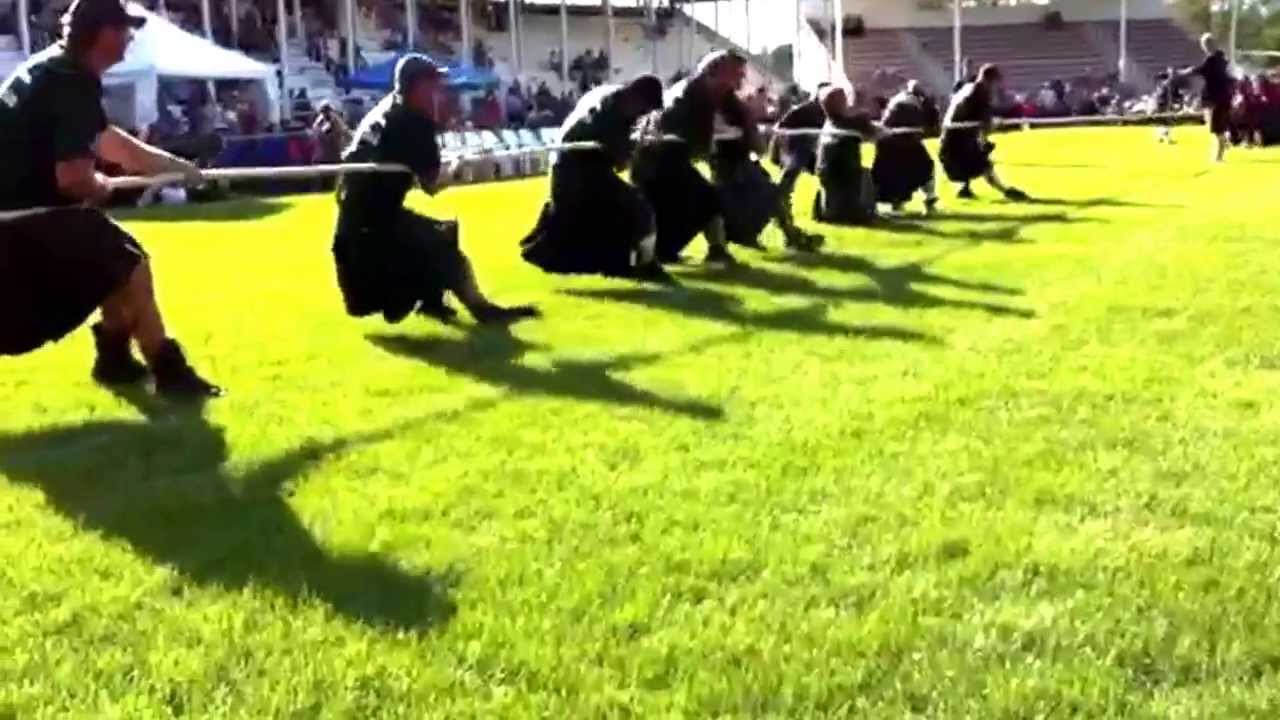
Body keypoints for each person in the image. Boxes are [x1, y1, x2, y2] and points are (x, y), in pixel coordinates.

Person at [0, 0, 220, 398]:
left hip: (20, 212)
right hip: (23, 219)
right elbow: (72, 179)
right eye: (124, 30)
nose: (130, 39)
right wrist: (98, 185)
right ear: (102, 35)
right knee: (130, 263)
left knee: (113, 261)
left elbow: (108, 141)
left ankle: (115, 360)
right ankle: (168, 371)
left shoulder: (54, 67)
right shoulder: (72, 82)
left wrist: (177, 167)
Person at [332, 55, 537, 326]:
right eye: (433, 83)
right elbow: (433, 185)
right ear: (417, 86)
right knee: (443, 240)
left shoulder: (384, 109)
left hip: (348, 235)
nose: (438, 91)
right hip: (372, 235)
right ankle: (482, 310)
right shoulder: (414, 121)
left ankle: (432, 303)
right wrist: (460, 166)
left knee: (430, 236)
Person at [519, 76, 669, 281]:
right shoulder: (608, 112)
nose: (644, 114)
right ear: (636, 97)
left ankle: (631, 264)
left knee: (623, 211)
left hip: (579, 168)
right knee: (637, 209)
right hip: (576, 170)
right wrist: (632, 148)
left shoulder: (612, 100)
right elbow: (618, 159)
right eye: (645, 108)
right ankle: (646, 265)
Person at [630, 50, 747, 266]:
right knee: (707, 199)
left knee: (688, 203)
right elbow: (690, 137)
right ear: (719, 71)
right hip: (659, 156)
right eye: (736, 72)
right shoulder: (695, 93)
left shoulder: (699, 89)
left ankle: (666, 252)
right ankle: (715, 251)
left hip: (659, 156)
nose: (741, 77)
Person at [710, 88, 822, 252]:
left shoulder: (724, 111)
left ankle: (789, 235)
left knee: (770, 196)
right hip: (734, 168)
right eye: (762, 101)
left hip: (732, 166)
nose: (766, 106)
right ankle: (790, 236)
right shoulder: (736, 113)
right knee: (771, 196)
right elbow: (759, 147)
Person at [939, 64, 1028, 201]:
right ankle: (1005, 191)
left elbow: (973, 118)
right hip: (957, 138)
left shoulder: (968, 87)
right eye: (996, 81)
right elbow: (985, 123)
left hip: (950, 135)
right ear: (990, 79)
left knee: (974, 160)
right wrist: (994, 127)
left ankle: (965, 189)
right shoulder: (980, 92)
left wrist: (983, 138)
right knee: (982, 164)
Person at [811, 85, 880, 225]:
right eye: (843, 99)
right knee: (865, 173)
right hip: (844, 175)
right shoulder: (849, 124)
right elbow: (876, 133)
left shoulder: (829, 124)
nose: (847, 102)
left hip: (827, 173)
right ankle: (858, 212)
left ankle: (832, 210)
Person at [873, 80, 938, 214]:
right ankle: (930, 199)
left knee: (893, 172)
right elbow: (929, 126)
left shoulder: (897, 99)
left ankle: (896, 203)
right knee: (926, 168)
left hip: (887, 141)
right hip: (905, 140)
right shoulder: (916, 103)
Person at [1181, 34, 1234, 163]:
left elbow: (1200, 70)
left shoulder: (1212, 60)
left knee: (1217, 129)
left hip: (1217, 98)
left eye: (1205, 44)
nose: (1204, 47)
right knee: (1215, 126)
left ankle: (1219, 157)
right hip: (1219, 97)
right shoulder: (1221, 58)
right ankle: (1224, 143)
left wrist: (1185, 72)